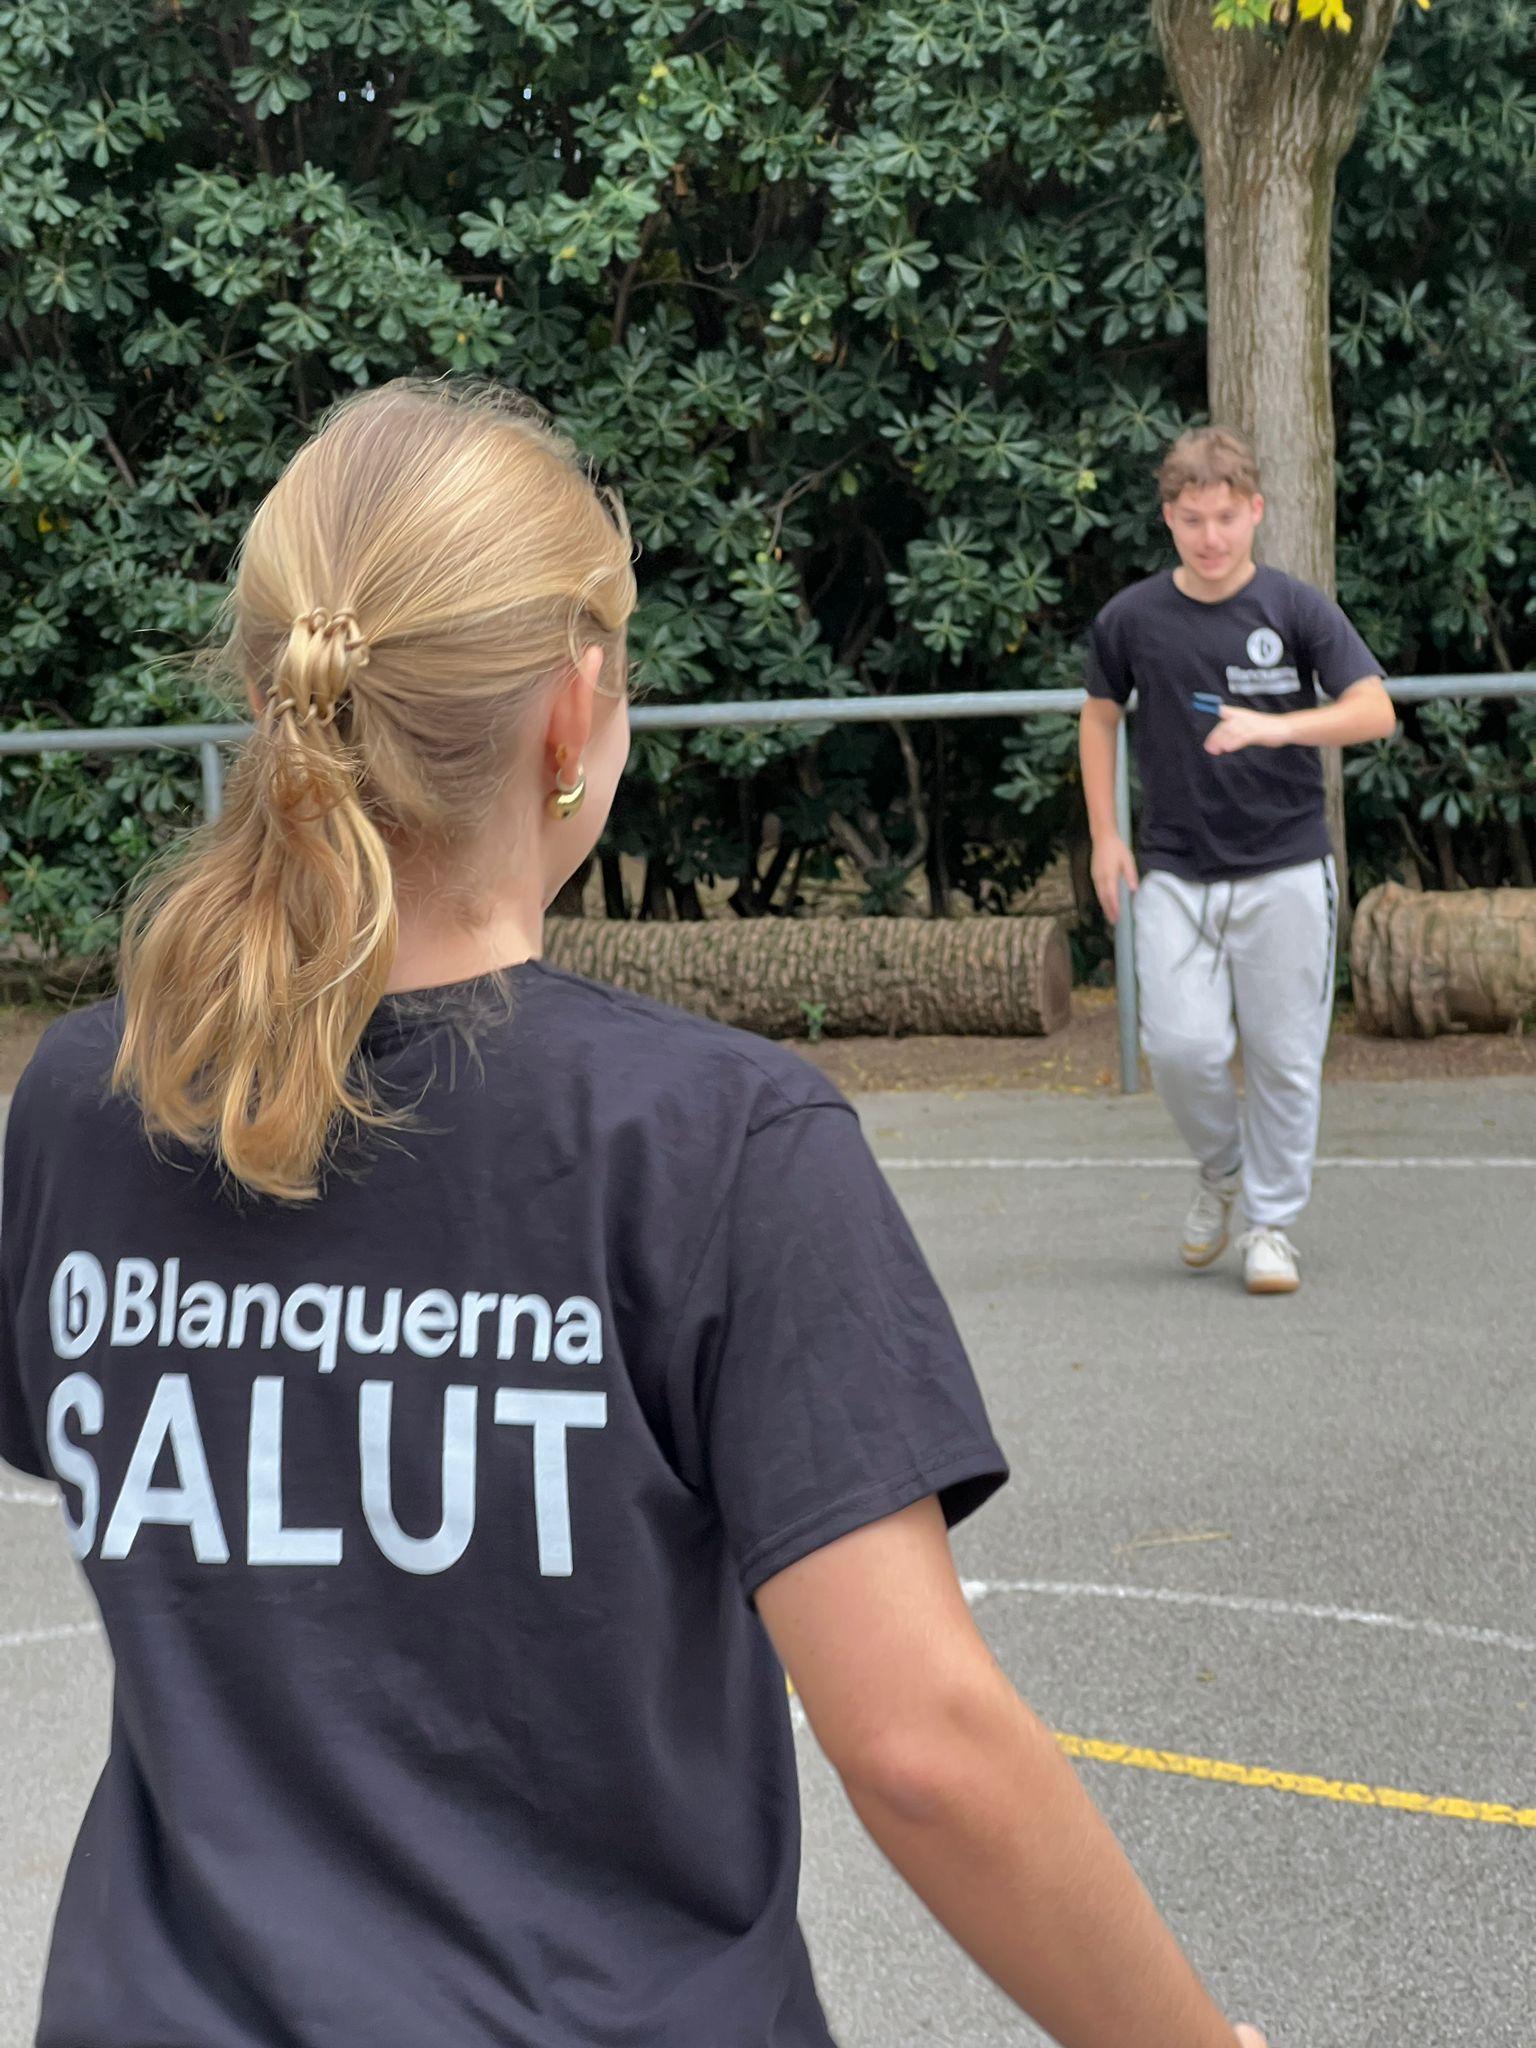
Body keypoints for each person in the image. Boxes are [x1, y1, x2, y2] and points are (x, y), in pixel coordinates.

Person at [1, 379, 1267, 2048]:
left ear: (271, 688)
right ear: (572, 711)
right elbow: (918, 1742)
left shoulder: (96, 1095)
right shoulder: (719, 1142)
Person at [1080, 425, 1396, 1296]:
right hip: (1172, 869)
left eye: (1225, 518)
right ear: (1168, 519)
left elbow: (1374, 711)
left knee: (1285, 1059)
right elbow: (1099, 717)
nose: (1210, 537)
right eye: (1192, 520)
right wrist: (1106, 835)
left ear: (1255, 511)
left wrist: (1277, 726)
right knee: (1181, 1047)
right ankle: (1223, 1168)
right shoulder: (1131, 617)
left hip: (1286, 865)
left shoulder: (1295, 608)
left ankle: (1269, 1227)